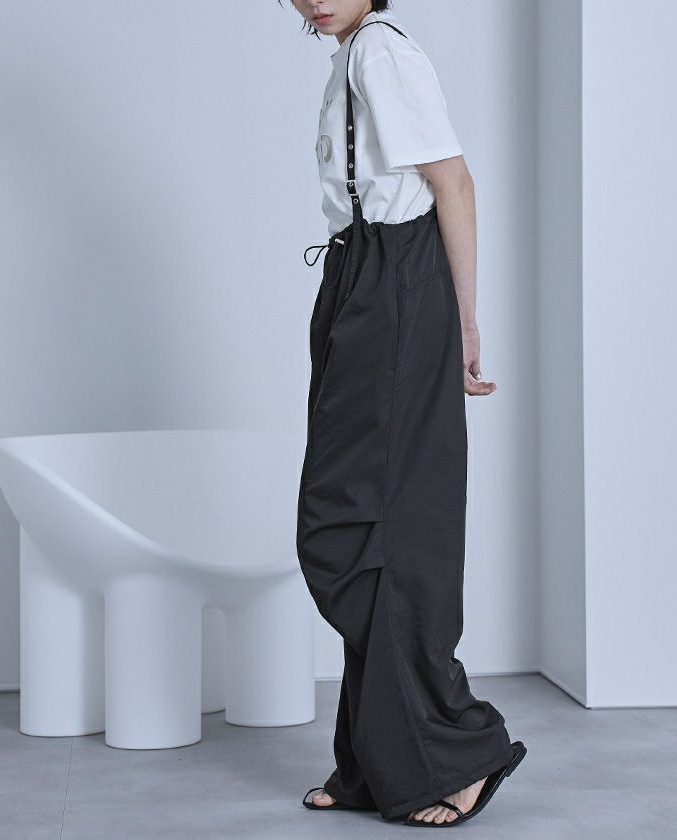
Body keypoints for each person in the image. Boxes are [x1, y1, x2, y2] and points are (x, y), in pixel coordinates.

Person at [287, 0, 527, 826]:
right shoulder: (352, 53)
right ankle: (374, 763)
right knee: (365, 525)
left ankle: (457, 750)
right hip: (360, 276)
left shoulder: (381, 53)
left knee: (371, 525)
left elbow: (452, 180)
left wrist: (463, 321)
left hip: (395, 282)